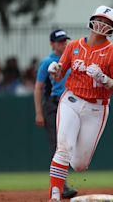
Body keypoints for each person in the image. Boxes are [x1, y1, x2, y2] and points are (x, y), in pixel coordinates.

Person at [46, 5, 113, 202]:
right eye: (99, 19)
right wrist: (54, 69)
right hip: (71, 101)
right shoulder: (73, 46)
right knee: (63, 147)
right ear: (92, 20)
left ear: (112, 27)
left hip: (97, 108)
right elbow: (59, 76)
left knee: (80, 165)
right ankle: (55, 196)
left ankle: (70, 159)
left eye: (107, 22)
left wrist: (105, 79)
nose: (102, 24)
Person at [34, 29, 77, 199]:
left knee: (69, 144)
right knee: (58, 145)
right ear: (52, 44)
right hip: (53, 105)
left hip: (72, 105)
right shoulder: (47, 62)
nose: (63, 44)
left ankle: (61, 185)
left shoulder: (72, 59)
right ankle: (61, 186)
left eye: (65, 41)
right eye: (59, 42)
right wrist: (38, 112)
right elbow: (38, 87)